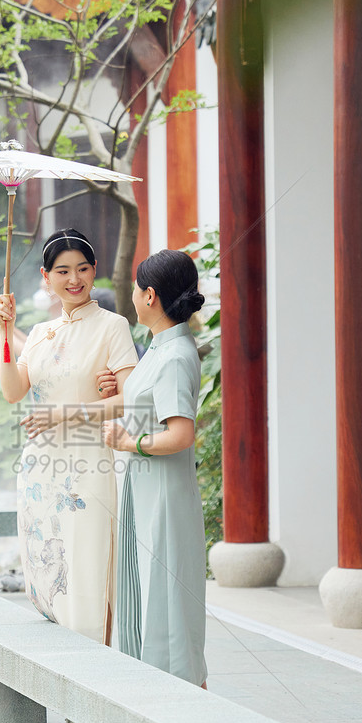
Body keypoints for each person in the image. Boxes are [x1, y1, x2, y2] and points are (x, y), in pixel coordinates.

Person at [0, 229, 138, 645]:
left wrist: (61, 413)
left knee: (88, 569)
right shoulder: (39, 334)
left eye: (82, 269)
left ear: (94, 272)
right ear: (46, 277)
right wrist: (6, 334)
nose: (74, 279)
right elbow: (12, 391)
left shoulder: (113, 326)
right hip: (41, 469)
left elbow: (126, 401)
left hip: (87, 464)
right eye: (62, 271)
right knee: (50, 571)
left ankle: (97, 670)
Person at [102, 249, 207, 687]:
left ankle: (184, 702)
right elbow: (144, 397)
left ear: (150, 296)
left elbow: (181, 433)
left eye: (135, 286)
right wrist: (116, 387)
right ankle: (150, 697)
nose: (130, 294)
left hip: (164, 494)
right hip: (144, 490)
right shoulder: (159, 351)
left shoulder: (176, 355)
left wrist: (131, 442)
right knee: (145, 592)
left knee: (166, 601)